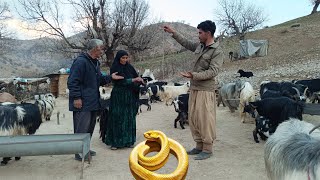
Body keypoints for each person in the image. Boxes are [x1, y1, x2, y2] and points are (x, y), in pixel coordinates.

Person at [164, 20, 223, 160]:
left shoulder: (217, 51)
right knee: (194, 118)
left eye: (200, 32)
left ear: (208, 33)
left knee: (205, 119)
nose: (198, 35)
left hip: (205, 90)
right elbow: (186, 42)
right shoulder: (200, 46)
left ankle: (207, 148)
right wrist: (173, 32)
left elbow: (213, 71)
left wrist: (193, 75)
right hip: (195, 88)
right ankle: (199, 146)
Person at [68, 39, 124, 161]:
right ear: (95, 48)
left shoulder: (95, 63)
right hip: (82, 102)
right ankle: (78, 153)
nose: (103, 51)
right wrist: (77, 97)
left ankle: (85, 149)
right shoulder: (81, 62)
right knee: (81, 128)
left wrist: (110, 77)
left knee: (90, 128)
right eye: (101, 48)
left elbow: (99, 80)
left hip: (93, 101)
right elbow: (72, 82)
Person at [104, 50, 144, 150]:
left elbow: (136, 77)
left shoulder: (130, 67)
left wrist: (140, 81)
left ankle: (129, 141)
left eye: (126, 58)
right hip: (119, 96)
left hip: (130, 96)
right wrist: (132, 80)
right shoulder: (115, 68)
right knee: (117, 117)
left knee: (129, 117)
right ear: (119, 58)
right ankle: (116, 142)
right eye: (123, 58)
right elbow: (118, 82)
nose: (125, 60)